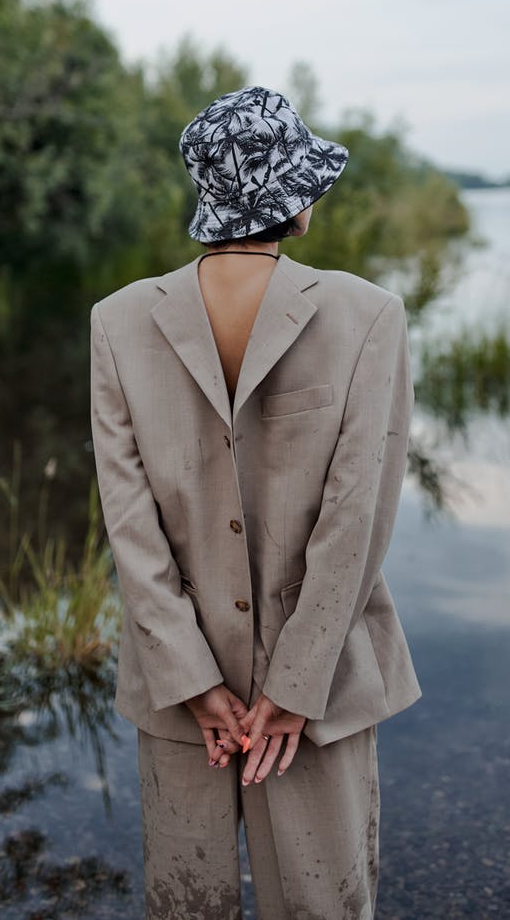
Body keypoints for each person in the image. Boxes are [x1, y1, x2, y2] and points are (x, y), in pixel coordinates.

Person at [90, 84, 421, 920]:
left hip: (178, 683)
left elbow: (128, 524)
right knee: (323, 905)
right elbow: (357, 520)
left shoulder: (116, 319)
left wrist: (189, 676)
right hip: (320, 683)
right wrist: (296, 683)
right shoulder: (368, 314)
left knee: (186, 905)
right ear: (292, 195)